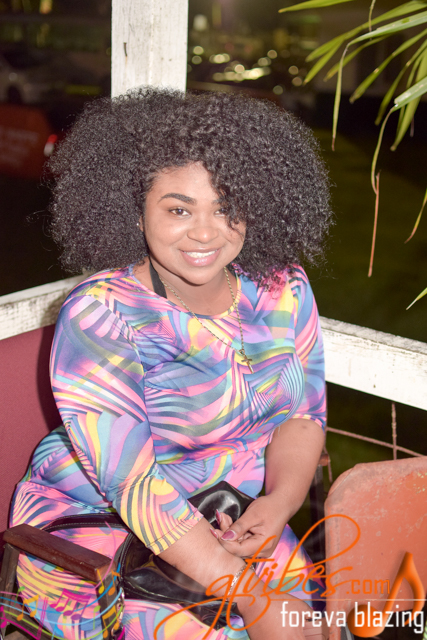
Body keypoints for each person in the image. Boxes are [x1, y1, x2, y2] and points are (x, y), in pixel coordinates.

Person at [10, 87, 332, 640]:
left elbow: (303, 415)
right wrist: (252, 597)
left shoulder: (284, 288)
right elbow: (133, 486)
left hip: (227, 512)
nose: (205, 232)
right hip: (101, 532)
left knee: (320, 624)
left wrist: (280, 501)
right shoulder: (103, 315)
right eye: (179, 209)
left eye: (226, 207)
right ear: (135, 211)